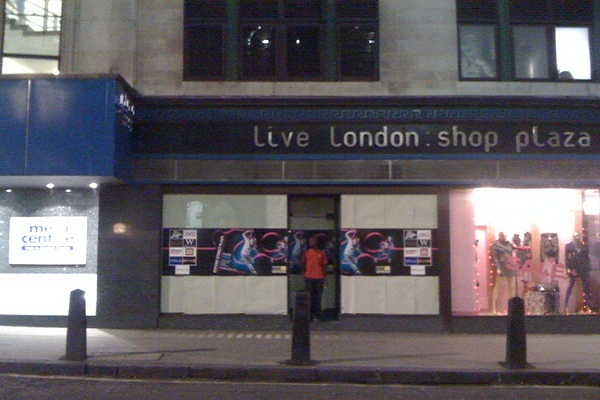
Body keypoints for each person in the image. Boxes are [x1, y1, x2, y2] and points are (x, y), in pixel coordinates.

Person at [301, 236, 328, 321]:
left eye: (312, 241)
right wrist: (304, 274)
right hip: (309, 278)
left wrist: (324, 278)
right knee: (309, 297)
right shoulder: (306, 252)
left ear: (316, 242)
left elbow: (324, 266)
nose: (310, 243)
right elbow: (303, 263)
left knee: (318, 297)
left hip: (319, 278)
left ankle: (317, 315)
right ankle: (309, 315)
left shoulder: (322, 253)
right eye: (310, 241)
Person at [564, 232, 592, 313]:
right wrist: (567, 269)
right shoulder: (569, 246)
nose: (577, 237)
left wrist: (588, 268)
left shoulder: (583, 246)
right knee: (570, 286)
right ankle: (566, 305)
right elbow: (566, 258)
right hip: (574, 268)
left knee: (586, 287)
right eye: (576, 236)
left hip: (583, 268)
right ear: (573, 236)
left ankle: (588, 306)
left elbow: (587, 258)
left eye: (578, 236)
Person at [491, 232, 516, 314]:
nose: (505, 236)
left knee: (512, 288)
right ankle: (493, 308)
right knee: (498, 287)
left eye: (506, 235)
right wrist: (497, 268)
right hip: (501, 267)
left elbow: (511, 254)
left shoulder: (509, 244)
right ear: (500, 235)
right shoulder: (495, 244)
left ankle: (512, 308)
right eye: (503, 235)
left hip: (510, 266)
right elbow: (495, 258)